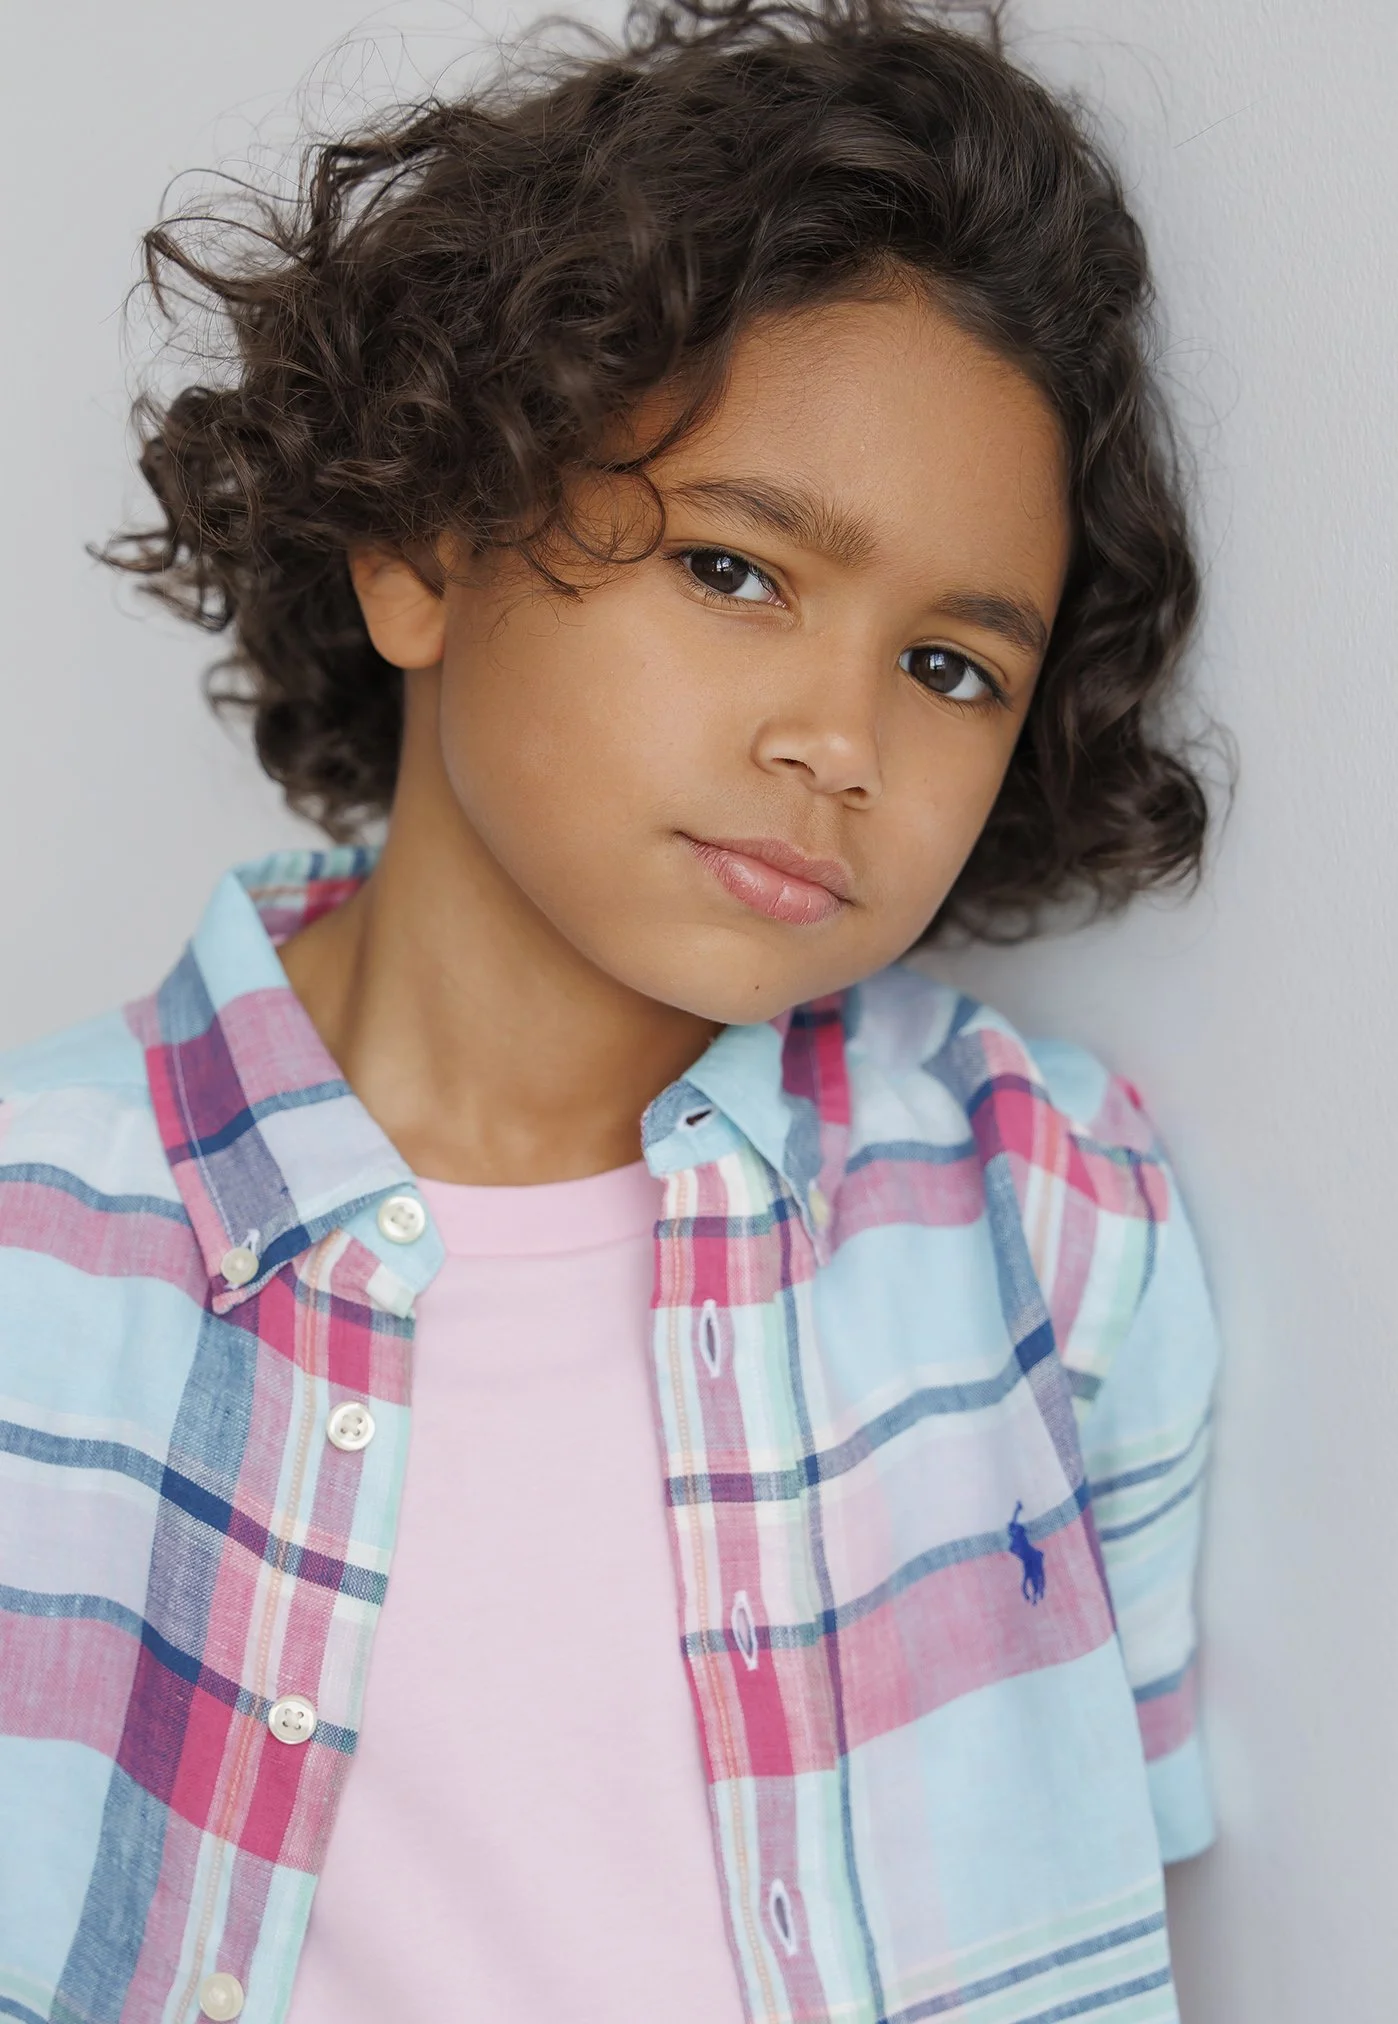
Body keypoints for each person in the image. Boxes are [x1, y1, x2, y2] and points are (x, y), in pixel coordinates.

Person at [0, 1, 1222, 2018]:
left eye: (947, 669)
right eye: (737, 572)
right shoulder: (39, 1257)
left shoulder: (1051, 1210)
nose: (840, 739)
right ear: (420, 541)